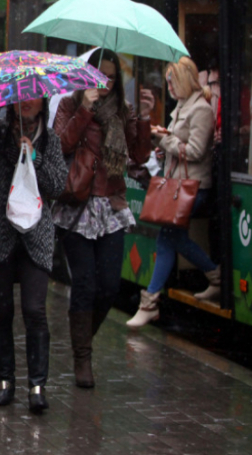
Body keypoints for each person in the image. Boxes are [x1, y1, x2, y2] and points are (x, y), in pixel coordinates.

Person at [52, 49, 153, 388]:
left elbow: (138, 156)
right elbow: (60, 146)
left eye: (111, 76)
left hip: (111, 205)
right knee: (85, 283)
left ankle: (83, 339)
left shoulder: (123, 110)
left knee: (109, 286)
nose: (105, 82)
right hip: (77, 205)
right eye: (100, 75)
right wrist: (84, 109)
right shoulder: (69, 105)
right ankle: (83, 358)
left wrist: (144, 118)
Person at [0, 98, 68, 414]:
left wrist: (34, 157)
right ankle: (5, 381)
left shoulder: (50, 140)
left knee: (34, 310)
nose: (26, 102)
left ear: (43, 103)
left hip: (35, 237)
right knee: (1, 311)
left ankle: (37, 386)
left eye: (33, 96)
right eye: (20, 96)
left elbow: (57, 185)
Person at [127, 56, 219, 327]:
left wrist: (166, 140)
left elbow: (196, 151)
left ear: (185, 81)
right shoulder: (181, 106)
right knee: (171, 237)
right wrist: (162, 145)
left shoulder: (201, 110)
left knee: (167, 238)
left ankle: (150, 302)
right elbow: (179, 145)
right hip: (177, 185)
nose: (169, 87)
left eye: (172, 82)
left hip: (194, 188)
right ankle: (215, 277)